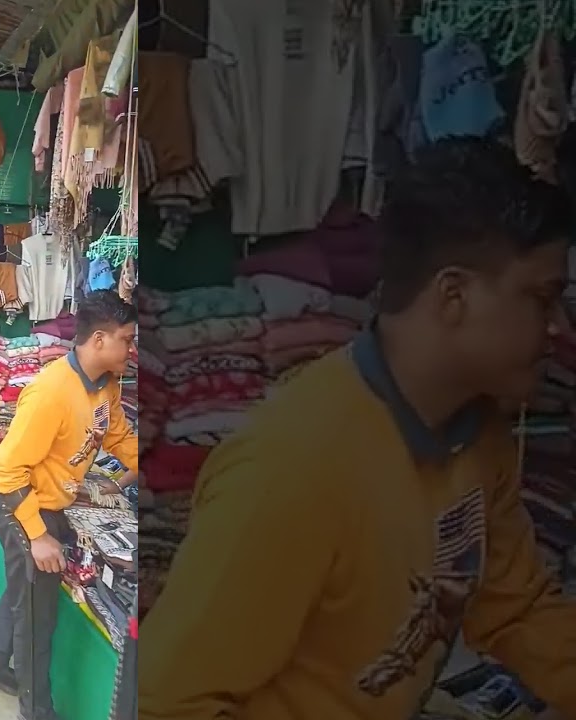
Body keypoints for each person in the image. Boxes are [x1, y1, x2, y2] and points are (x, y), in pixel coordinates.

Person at [141, 139, 576, 718]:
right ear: (454, 295)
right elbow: (170, 703)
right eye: (543, 299)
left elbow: (515, 609)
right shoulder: (293, 468)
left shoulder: (477, 432)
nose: (560, 327)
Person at [0, 290, 137, 720]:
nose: (131, 349)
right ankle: (37, 711)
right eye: (127, 340)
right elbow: (8, 470)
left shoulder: (106, 386)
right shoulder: (50, 393)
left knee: (25, 597)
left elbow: (117, 435)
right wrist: (39, 535)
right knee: (36, 623)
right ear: (99, 340)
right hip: (23, 507)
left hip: (51, 502)